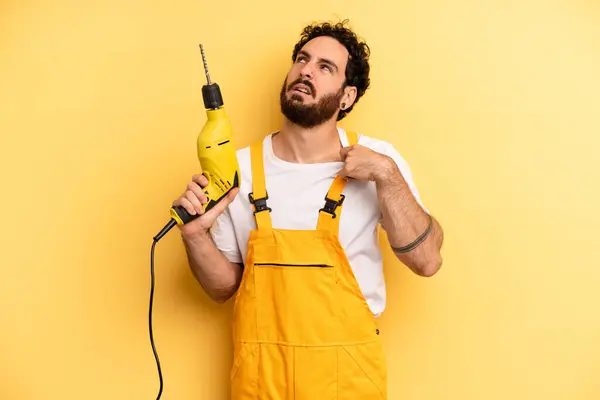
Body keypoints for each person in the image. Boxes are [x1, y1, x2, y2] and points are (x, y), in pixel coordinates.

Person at [173, 20, 444, 400]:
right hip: (259, 381)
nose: (305, 70)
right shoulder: (239, 169)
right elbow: (223, 288)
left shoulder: (380, 162)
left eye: (324, 67)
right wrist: (195, 235)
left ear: (347, 97)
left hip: (347, 381)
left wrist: (386, 175)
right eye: (302, 59)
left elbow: (427, 260)